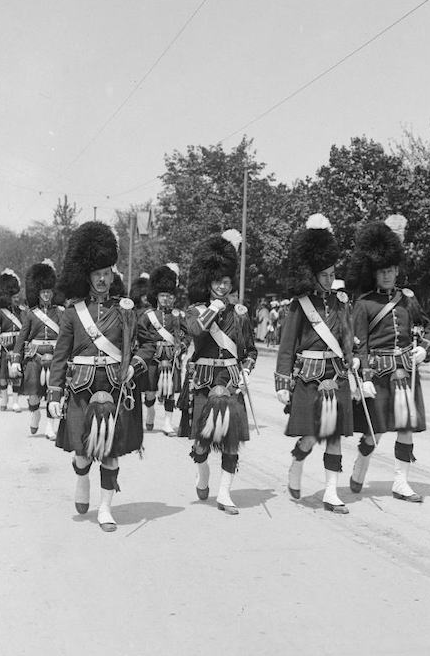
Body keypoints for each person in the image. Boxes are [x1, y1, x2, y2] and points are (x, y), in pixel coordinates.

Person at [46, 222, 155, 532]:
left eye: (107, 272)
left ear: (113, 273)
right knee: (82, 453)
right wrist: (54, 394)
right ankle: (82, 480)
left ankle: (106, 507)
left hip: (115, 387)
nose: (103, 279)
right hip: (81, 387)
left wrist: (134, 365)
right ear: (87, 276)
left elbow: (147, 346)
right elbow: (60, 355)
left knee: (110, 453)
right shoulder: (72, 312)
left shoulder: (126, 310)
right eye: (97, 274)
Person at [345, 216, 430, 503]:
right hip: (378, 375)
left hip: (406, 374)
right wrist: (362, 380)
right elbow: (357, 345)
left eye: (391, 270)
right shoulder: (364, 303)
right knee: (376, 432)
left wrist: (425, 348)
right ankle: (361, 463)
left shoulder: (408, 298)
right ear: (374, 273)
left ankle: (401, 482)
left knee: (407, 428)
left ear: (397, 270)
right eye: (381, 271)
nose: (386, 275)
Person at [274, 214, 356, 513]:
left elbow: (348, 339)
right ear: (312, 274)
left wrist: (355, 362)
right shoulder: (300, 305)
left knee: (334, 436)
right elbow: (287, 346)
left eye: (331, 273)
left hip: (335, 376)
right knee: (310, 436)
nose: (328, 279)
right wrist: (282, 382)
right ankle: (297, 462)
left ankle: (332, 492)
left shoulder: (342, 302)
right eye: (323, 274)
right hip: (308, 377)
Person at [178, 229, 257, 515]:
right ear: (208, 282)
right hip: (204, 382)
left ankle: (224, 493)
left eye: (226, 282)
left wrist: (246, 370)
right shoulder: (196, 310)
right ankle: (202, 473)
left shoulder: (240, 313)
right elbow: (196, 330)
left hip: (231, 383)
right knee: (201, 445)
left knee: (231, 444)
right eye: (217, 282)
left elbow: (250, 350)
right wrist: (214, 307)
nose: (223, 287)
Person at [9, 260, 64, 440]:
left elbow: (66, 337)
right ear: (38, 293)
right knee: (33, 395)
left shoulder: (61, 313)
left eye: (49, 291)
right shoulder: (31, 314)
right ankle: (35, 412)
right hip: (35, 357)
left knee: (53, 394)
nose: (47, 295)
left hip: (55, 358)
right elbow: (22, 337)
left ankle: (50, 426)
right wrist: (16, 360)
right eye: (43, 292)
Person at [137, 262, 187, 436]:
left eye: (169, 296)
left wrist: (183, 346)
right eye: (163, 295)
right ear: (156, 296)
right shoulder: (147, 316)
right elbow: (141, 335)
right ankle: (150, 411)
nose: (166, 299)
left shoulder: (179, 315)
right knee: (150, 391)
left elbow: (186, 335)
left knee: (170, 392)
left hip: (172, 358)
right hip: (153, 357)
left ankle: (167, 423)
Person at [0, 270, 25, 412]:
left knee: (16, 376)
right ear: (7, 297)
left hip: (18, 348)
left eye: (17, 296)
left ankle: (15, 401)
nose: (17, 299)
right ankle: (4, 398)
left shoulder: (22, 311)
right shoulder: (0, 312)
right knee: (3, 377)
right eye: (14, 296)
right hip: (5, 348)